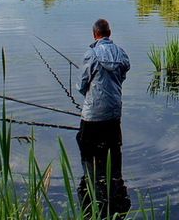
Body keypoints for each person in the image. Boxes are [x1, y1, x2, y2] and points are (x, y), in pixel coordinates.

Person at [76, 18, 131, 214]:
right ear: (110, 33)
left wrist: (88, 96)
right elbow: (125, 69)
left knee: (84, 143)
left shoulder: (90, 54)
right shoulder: (121, 53)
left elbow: (83, 84)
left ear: (94, 35)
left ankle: (92, 179)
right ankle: (115, 181)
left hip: (93, 114)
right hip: (114, 111)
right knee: (113, 149)